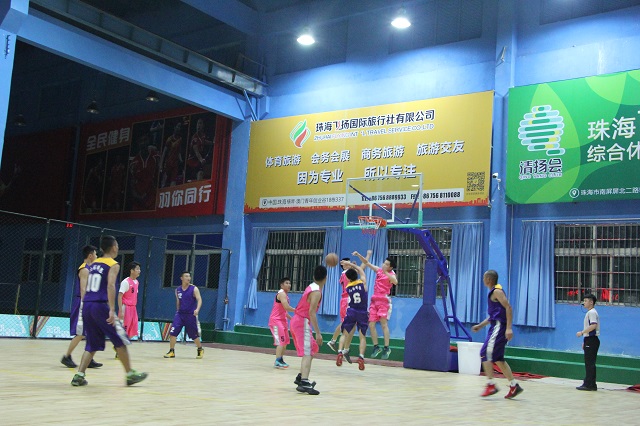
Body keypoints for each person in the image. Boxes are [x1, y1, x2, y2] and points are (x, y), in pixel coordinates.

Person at [71, 235, 148, 386]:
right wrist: (112, 309)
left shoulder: (93, 264)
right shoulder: (113, 264)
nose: (118, 248)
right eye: (117, 245)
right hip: (100, 306)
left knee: (92, 343)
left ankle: (79, 375)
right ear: (113, 248)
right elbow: (111, 285)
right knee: (120, 338)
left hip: (87, 305)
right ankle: (130, 374)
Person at [471, 269, 523, 399]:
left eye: (484, 278)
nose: (483, 280)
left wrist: (509, 328)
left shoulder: (497, 292)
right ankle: (514, 385)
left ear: (488, 279)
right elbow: (493, 316)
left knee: (484, 353)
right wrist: (480, 326)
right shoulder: (493, 293)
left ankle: (491, 384)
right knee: (498, 359)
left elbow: (508, 307)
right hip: (496, 326)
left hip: (499, 327)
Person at [61, 245, 102, 369]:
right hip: (82, 303)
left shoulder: (91, 269)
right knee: (81, 333)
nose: (96, 256)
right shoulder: (84, 269)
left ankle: (88, 358)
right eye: (95, 254)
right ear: (90, 255)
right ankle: (66, 356)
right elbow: (83, 289)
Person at [353, 251, 397, 359]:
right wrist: (359, 255)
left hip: (384, 301)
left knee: (383, 324)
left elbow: (395, 282)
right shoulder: (378, 270)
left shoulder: (391, 274)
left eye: (386, 264)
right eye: (384, 263)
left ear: (390, 267)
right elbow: (366, 263)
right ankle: (376, 346)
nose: (384, 265)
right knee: (371, 324)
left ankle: (387, 347)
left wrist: (386, 273)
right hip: (374, 300)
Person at [290, 265, 327, 395]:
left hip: (298, 320)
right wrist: (318, 333)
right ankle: (304, 382)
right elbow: (311, 312)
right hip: (302, 322)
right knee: (307, 352)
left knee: (313, 348)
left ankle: (301, 376)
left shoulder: (311, 286)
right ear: (326, 278)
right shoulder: (316, 292)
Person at [327, 251, 372, 355]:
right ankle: (336, 343)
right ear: (344, 265)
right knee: (346, 324)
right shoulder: (346, 274)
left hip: (347, 300)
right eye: (348, 262)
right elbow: (362, 268)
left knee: (351, 325)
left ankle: (343, 347)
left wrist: (353, 265)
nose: (351, 263)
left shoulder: (346, 275)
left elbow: (359, 269)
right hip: (347, 301)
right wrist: (367, 256)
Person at [336, 258, 368, 371]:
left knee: (344, 334)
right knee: (362, 337)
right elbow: (360, 269)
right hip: (362, 312)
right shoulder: (363, 283)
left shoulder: (348, 287)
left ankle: (340, 352)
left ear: (348, 278)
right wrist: (351, 264)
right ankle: (361, 357)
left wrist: (347, 264)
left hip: (351, 311)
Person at [164, 271, 204, 359]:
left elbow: (199, 300)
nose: (188, 278)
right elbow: (178, 301)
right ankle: (171, 351)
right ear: (181, 278)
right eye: (186, 276)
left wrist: (197, 309)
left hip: (190, 315)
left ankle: (200, 348)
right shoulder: (178, 290)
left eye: (189, 276)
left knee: (193, 335)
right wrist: (177, 311)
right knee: (173, 332)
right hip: (180, 314)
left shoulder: (194, 289)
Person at [268, 277, 296, 368]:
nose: (289, 285)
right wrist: (297, 310)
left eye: (289, 283)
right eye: (286, 283)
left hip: (283, 321)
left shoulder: (286, 295)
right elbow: (287, 307)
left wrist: (291, 318)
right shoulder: (281, 294)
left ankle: (281, 360)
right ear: (281, 285)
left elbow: (284, 311)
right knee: (281, 341)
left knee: (285, 342)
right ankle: (277, 361)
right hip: (276, 321)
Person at [128, 134, 160, 211]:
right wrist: (138, 196)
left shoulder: (156, 157)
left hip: (152, 199)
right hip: (138, 201)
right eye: (141, 141)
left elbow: (159, 177)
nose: (143, 143)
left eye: (145, 140)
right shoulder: (134, 162)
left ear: (148, 141)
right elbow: (131, 184)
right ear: (138, 143)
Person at [576, 293, 600, 391]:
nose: (584, 303)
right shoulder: (590, 312)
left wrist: (582, 333)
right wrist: (585, 341)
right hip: (589, 340)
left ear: (591, 302)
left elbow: (593, 326)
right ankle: (591, 384)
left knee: (589, 363)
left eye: (586, 301)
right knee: (590, 363)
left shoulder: (592, 313)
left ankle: (588, 384)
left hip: (592, 340)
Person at [118, 261, 141, 340]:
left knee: (134, 329)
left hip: (133, 308)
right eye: (137, 269)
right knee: (124, 329)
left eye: (139, 269)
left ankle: (122, 344)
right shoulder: (125, 282)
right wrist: (121, 311)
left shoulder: (136, 282)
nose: (139, 271)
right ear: (131, 271)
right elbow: (119, 296)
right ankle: (120, 344)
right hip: (126, 307)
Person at [159, 122, 184, 187]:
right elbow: (164, 152)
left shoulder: (180, 139)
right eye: (178, 126)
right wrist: (161, 165)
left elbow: (179, 152)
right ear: (174, 127)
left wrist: (181, 160)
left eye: (180, 127)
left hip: (175, 164)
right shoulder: (169, 139)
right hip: (168, 163)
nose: (179, 128)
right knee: (164, 182)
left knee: (173, 182)